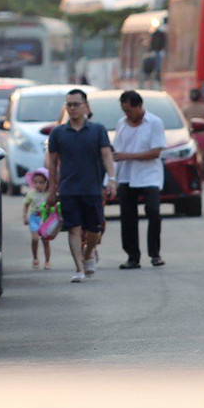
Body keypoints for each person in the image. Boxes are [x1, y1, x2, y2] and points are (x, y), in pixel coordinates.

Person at [45, 89, 115, 283]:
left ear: (86, 106)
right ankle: (79, 268)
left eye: (76, 104)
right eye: (69, 105)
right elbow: (52, 163)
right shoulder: (58, 133)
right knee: (74, 229)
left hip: (92, 189)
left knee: (95, 229)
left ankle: (89, 253)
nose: (73, 108)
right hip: (68, 190)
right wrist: (52, 189)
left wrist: (111, 179)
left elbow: (106, 155)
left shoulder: (97, 130)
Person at [113, 90, 168, 270]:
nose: (127, 114)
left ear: (139, 106)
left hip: (148, 175)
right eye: (124, 111)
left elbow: (155, 152)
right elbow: (116, 153)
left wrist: (128, 155)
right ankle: (132, 256)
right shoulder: (122, 124)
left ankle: (155, 253)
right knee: (128, 218)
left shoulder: (154, 123)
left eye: (129, 110)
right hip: (127, 175)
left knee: (153, 211)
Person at [22, 168, 57, 269]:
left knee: (45, 240)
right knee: (35, 239)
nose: (38, 185)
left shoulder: (49, 194)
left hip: (45, 219)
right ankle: (35, 258)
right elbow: (26, 205)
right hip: (34, 218)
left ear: (47, 182)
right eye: (36, 182)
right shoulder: (31, 193)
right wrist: (25, 217)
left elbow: (53, 205)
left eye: (41, 182)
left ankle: (47, 261)